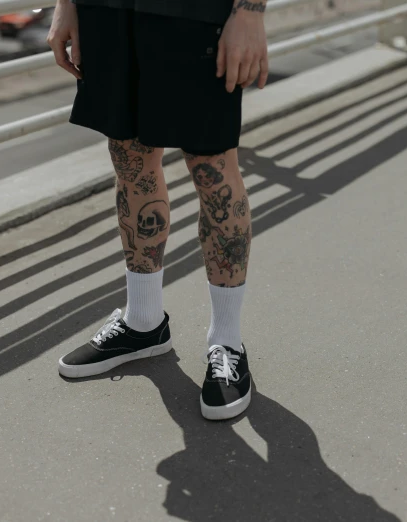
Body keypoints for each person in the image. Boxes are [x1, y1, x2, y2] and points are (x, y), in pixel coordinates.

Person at [48, 0, 269, 420]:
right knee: (129, 159)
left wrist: (251, 11)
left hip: (198, 13)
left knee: (212, 166)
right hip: (108, 10)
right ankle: (143, 321)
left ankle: (226, 340)